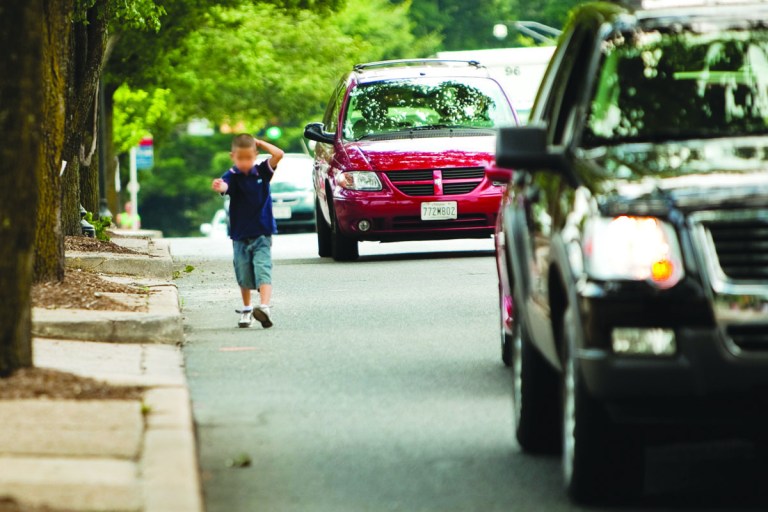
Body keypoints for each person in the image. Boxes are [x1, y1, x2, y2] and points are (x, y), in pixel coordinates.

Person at [211, 134, 284, 328]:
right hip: (240, 234)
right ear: (232, 156)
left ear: (255, 155)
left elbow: (279, 154)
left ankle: (265, 307)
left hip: (262, 232)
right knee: (243, 273)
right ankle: (246, 309)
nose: (245, 162)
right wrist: (220, 186)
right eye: (240, 158)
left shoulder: (262, 171)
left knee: (263, 269)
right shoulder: (232, 176)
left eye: (249, 157)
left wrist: (259, 142)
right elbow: (226, 187)